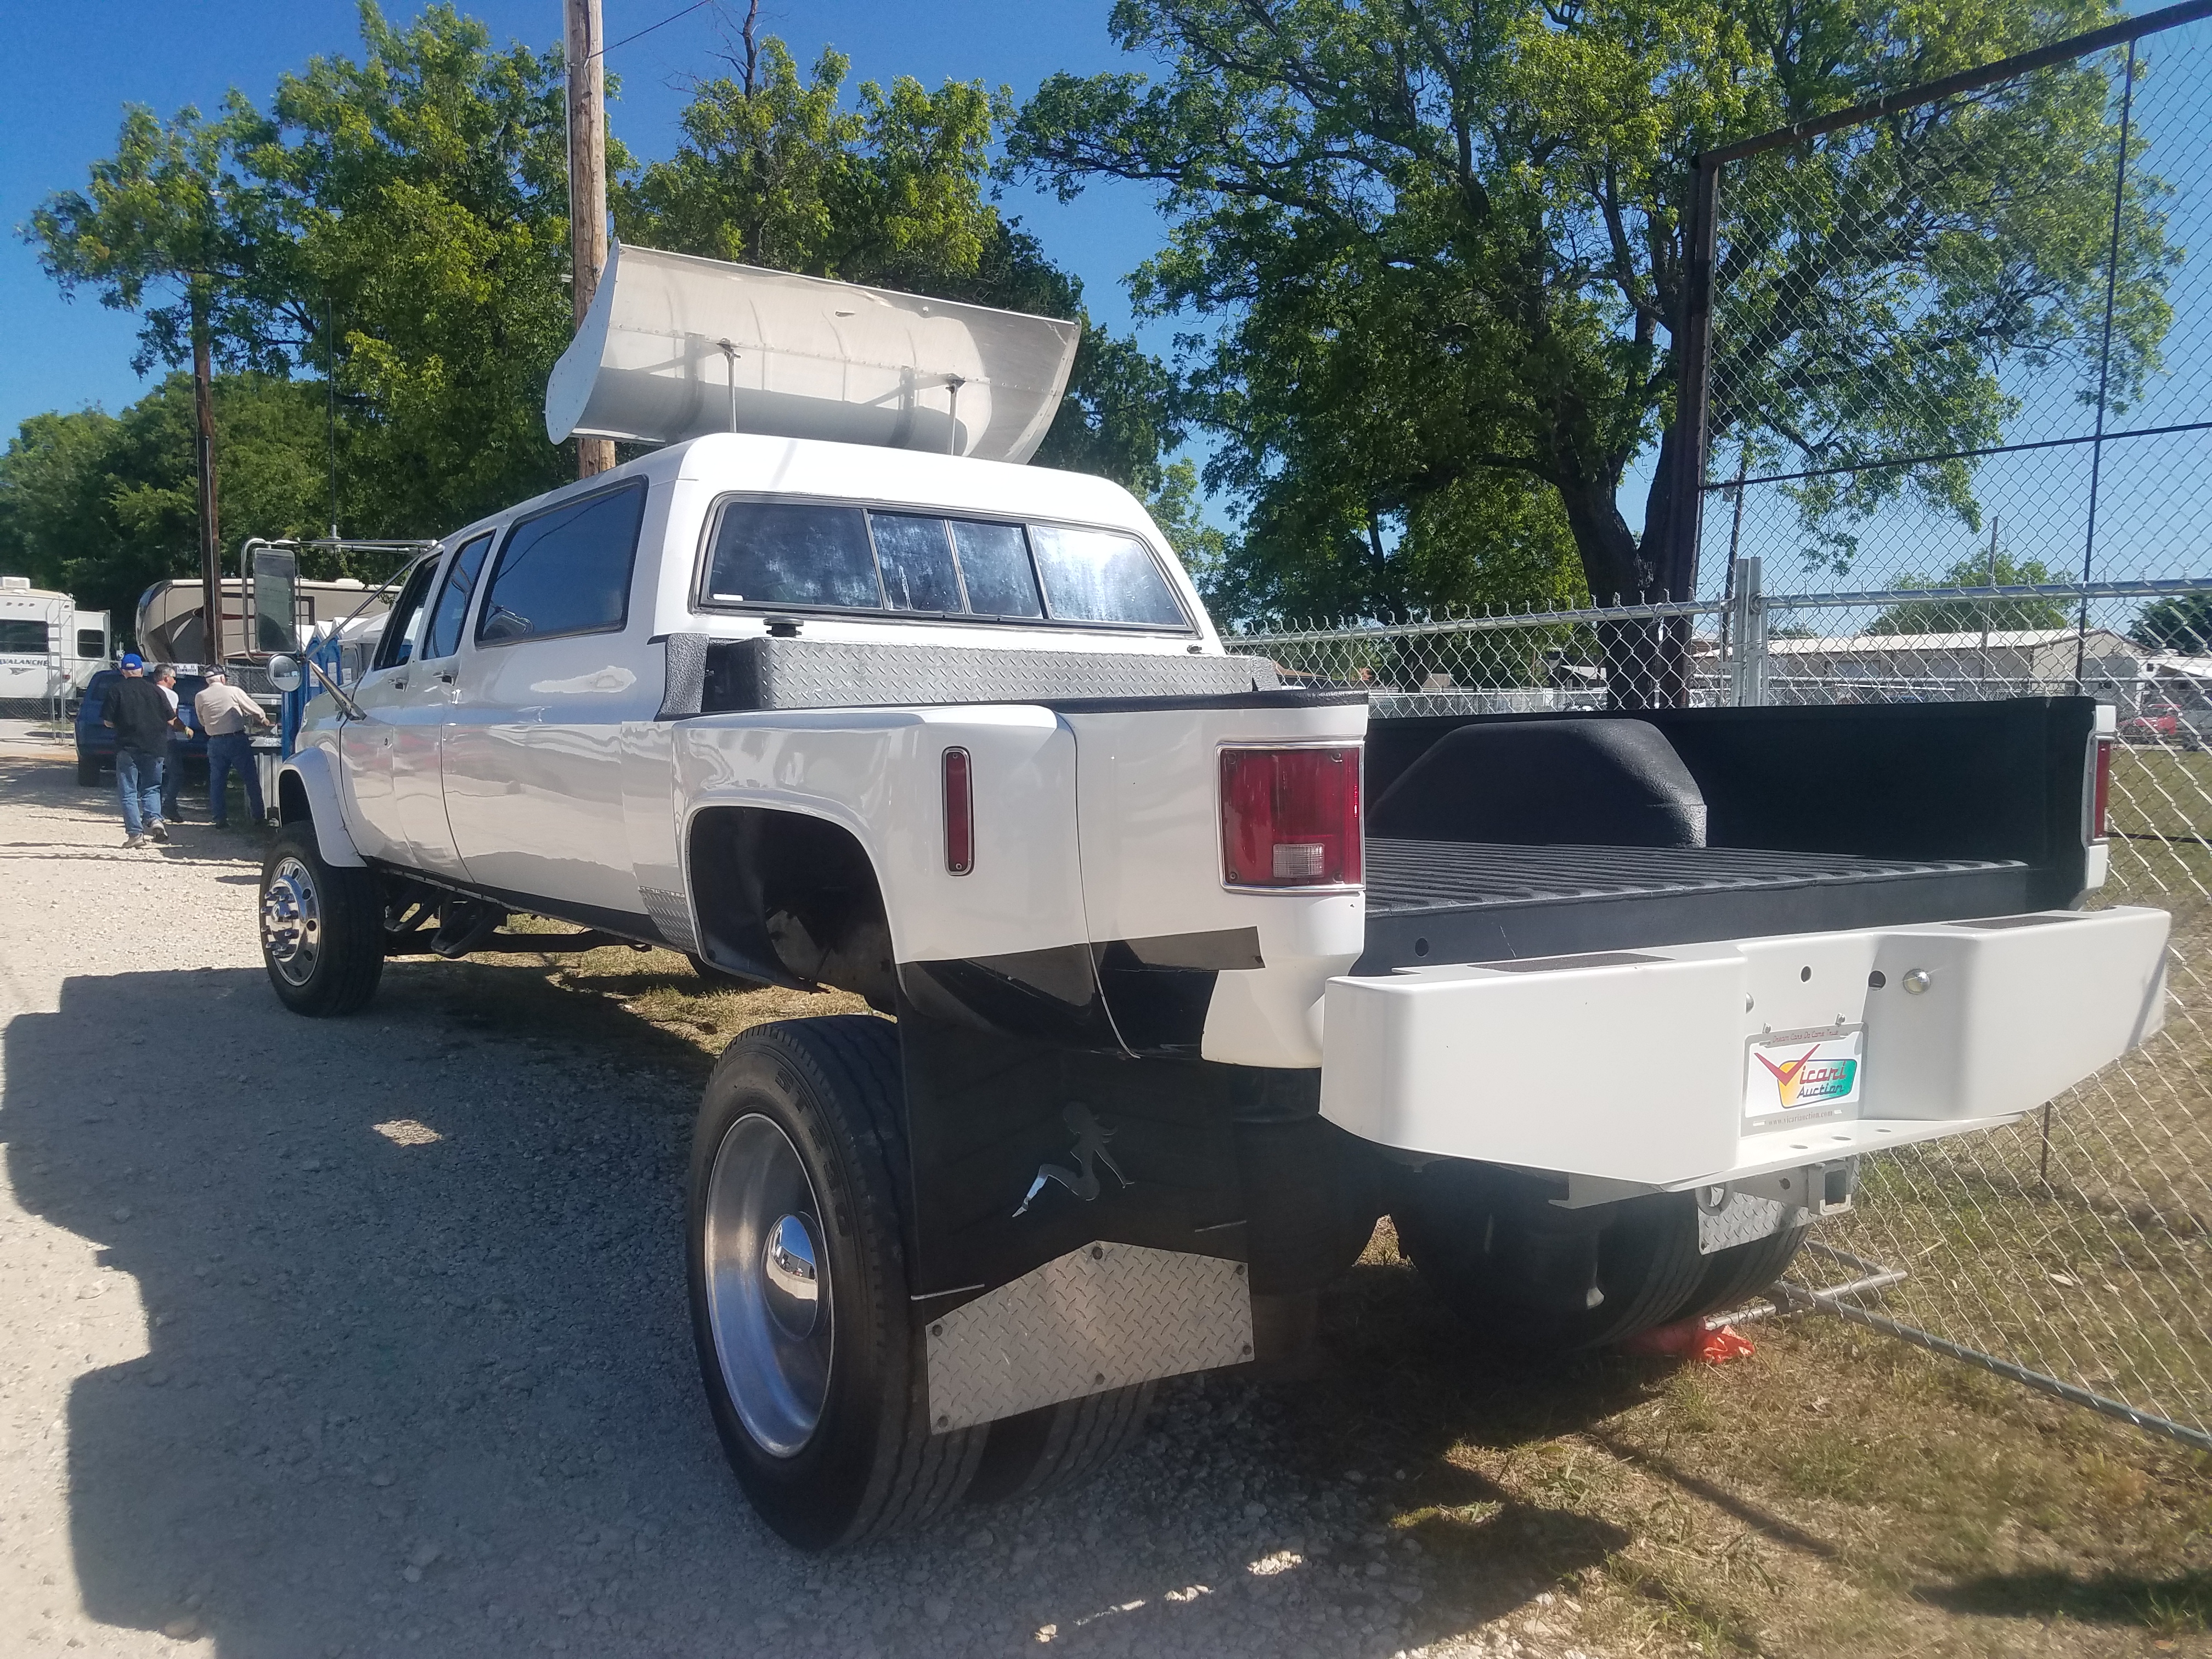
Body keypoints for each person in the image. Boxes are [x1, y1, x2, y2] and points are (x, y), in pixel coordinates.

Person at [102, 653, 173, 848]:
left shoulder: (116, 690)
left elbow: (108, 722)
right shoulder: (157, 691)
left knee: (129, 791)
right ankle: (155, 820)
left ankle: (136, 835)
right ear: (142, 670)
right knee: (152, 787)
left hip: (128, 747)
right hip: (156, 746)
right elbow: (170, 717)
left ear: (123, 671)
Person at [193, 668, 273, 829]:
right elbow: (255, 710)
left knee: (217, 782)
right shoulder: (233, 691)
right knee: (250, 779)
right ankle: (258, 817)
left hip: (215, 742)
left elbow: (202, 721)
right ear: (222, 678)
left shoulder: (200, 696)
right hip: (236, 740)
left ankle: (220, 819)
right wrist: (264, 720)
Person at [153, 664, 192, 823]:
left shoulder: (148, 691)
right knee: (176, 773)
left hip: (148, 739)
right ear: (166, 678)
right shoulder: (171, 695)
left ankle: (153, 811)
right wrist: (186, 729)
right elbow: (172, 719)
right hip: (167, 739)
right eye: (174, 678)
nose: (175, 681)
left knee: (154, 776)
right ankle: (169, 805)